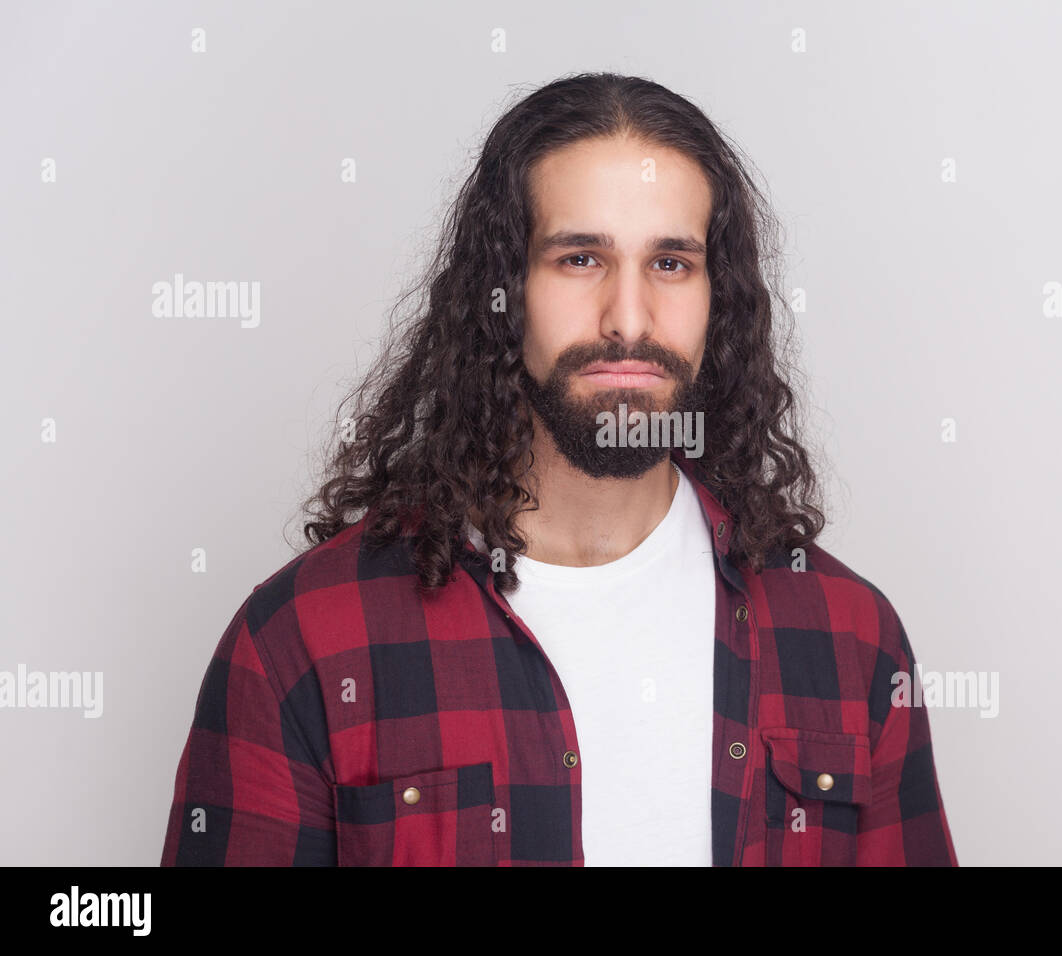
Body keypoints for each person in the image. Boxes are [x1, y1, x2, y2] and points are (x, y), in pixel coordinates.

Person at [160, 71, 958, 867]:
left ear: (722, 300)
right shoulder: (304, 639)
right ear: (501, 291)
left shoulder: (848, 635)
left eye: (671, 263)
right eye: (581, 259)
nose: (629, 320)